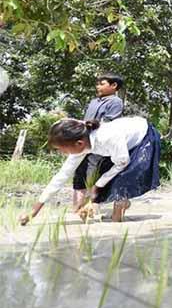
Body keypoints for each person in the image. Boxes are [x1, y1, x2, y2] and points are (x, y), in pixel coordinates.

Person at [19, 116, 161, 225]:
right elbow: (61, 177)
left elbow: (122, 162)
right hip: (121, 148)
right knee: (107, 179)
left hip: (143, 136)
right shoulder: (80, 147)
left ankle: (118, 218)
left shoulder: (108, 137)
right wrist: (34, 211)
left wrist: (97, 185)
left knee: (120, 180)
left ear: (79, 143)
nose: (62, 153)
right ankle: (119, 208)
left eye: (61, 149)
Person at [72, 72, 125, 212]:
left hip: (100, 143)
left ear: (114, 86)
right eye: (97, 84)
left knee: (93, 173)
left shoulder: (116, 102)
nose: (98, 86)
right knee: (79, 173)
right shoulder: (94, 102)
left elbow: (108, 122)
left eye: (102, 84)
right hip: (84, 141)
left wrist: (88, 125)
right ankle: (77, 208)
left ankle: (92, 208)